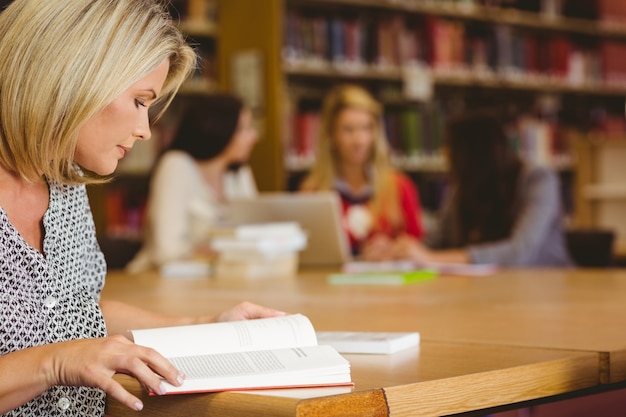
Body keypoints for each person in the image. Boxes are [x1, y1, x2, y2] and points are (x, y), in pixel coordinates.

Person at [0, 1, 282, 415]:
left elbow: (78, 315)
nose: (145, 130)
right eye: (139, 101)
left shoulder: (64, 184)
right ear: (71, 75)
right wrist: (56, 363)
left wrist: (204, 328)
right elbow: (65, 348)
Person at [393, 110, 573, 266]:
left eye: (450, 148)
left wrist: (431, 258)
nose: (444, 155)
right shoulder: (464, 186)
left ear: (471, 153)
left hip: (544, 290)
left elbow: (520, 252)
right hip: (488, 289)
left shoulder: (537, 180)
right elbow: (438, 239)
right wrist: (399, 249)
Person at [127, 93, 259, 273]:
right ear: (219, 129)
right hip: (162, 281)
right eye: (243, 129)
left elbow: (255, 234)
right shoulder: (176, 165)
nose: (254, 136)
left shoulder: (239, 173)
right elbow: (166, 251)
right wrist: (227, 251)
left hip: (221, 278)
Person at [299, 84, 424, 260]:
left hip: (390, 284)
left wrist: (394, 249)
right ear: (331, 135)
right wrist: (358, 257)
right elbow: (309, 254)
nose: (359, 140)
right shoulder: (313, 193)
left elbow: (416, 246)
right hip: (333, 285)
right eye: (348, 130)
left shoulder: (400, 187)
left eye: (366, 128)